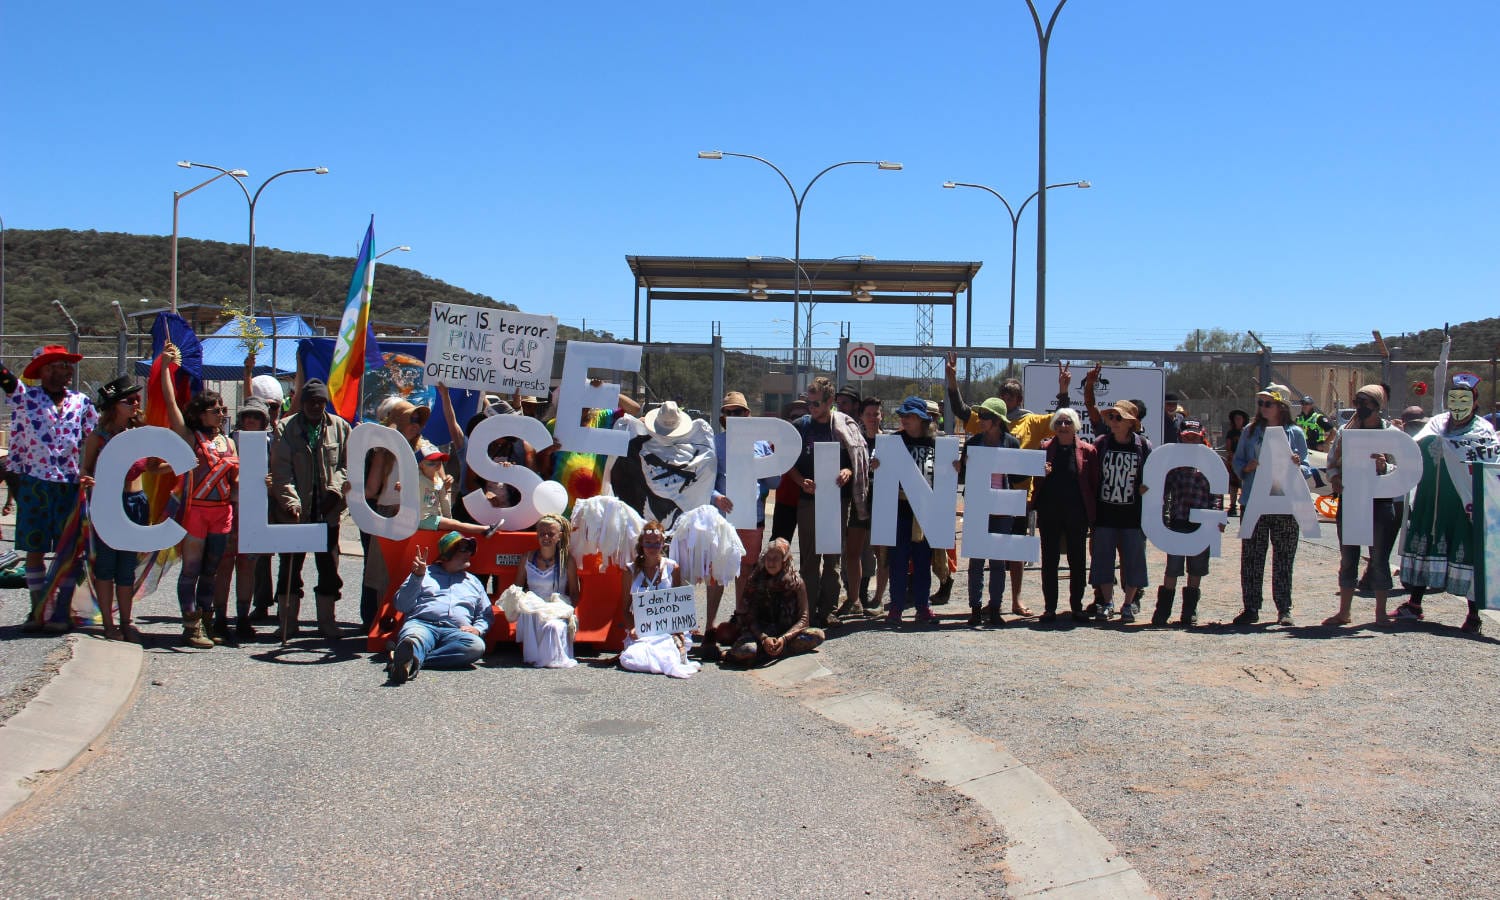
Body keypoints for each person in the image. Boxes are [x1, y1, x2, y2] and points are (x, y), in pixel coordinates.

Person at [946, 353, 1074, 616]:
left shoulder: (1032, 422)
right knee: (984, 553)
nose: (1006, 398)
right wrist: (952, 382)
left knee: (1013, 550)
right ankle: (979, 605)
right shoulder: (984, 422)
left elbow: (1061, 419)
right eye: (1003, 394)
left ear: (1019, 399)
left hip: (1017, 499)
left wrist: (1063, 391)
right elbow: (960, 410)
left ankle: (1015, 600)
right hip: (985, 500)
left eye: (1011, 395)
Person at [1, 346, 97, 632]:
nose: (66, 372)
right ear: (43, 370)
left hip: (69, 484)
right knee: (35, 548)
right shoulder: (24, 398)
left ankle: (62, 610)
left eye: (68, 366)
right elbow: (5, 378)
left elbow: (94, 439)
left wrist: (88, 472)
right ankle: (38, 609)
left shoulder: (82, 403)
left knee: (70, 551)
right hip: (34, 482)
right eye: (59, 366)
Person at [1395, 374, 1499, 632]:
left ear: (1475, 403)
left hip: (1462, 503)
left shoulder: (1482, 431)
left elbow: (1489, 464)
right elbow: (1415, 449)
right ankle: (1415, 603)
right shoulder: (1437, 423)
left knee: (1468, 553)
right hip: (1431, 499)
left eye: (1464, 398)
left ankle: (1473, 614)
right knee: (1426, 546)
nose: (1458, 403)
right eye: (1454, 397)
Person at [160, 342, 238, 648]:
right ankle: (190, 625)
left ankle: (208, 620)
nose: (220, 413)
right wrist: (167, 368)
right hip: (195, 511)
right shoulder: (190, 437)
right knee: (191, 569)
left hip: (222, 513)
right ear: (200, 413)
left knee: (212, 569)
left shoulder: (229, 443)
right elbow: (170, 403)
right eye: (214, 409)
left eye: (223, 409)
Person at [270, 378, 351, 641]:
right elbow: (281, 471)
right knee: (290, 567)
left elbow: (346, 465)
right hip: (296, 515)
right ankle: (287, 621)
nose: (316, 406)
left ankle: (327, 621)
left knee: (328, 568)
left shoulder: (340, 427)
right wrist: (291, 503)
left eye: (321, 401)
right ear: (302, 402)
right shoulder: (285, 428)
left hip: (327, 512)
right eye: (311, 401)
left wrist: (334, 492)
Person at [790, 377, 870, 628]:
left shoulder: (843, 426)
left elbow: (855, 459)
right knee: (809, 559)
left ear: (829, 401)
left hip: (837, 500)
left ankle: (828, 610)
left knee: (833, 559)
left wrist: (847, 472)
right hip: (808, 501)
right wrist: (801, 481)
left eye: (815, 403)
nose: (811, 408)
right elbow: (788, 463)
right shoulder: (800, 427)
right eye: (808, 403)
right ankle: (807, 610)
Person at [1231, 384, 1313, 626]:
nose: (1263, 407)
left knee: (1284, 557)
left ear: (1281, 406)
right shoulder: (1250, 431)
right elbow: (1238, 461)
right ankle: (1251, 607)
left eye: (1268, 403)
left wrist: (1299, 464)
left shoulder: (1294, 433)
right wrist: (1246, 468)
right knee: (1252, 557)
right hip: (1254, 500)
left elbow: (1307, 466)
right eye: (1261, 403)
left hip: (1285, 503)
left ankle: (1284, 609)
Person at [705, 391, 779, 660]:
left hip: (752, 516)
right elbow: (705, 483)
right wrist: (717, 498)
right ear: (723, 417)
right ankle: (709, 627)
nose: (734, 416)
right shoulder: (715, 444)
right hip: (723, 518)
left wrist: (772, 460)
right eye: (729, 412)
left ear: (748, 415)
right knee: (718, 570)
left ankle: (741, 623)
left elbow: (774, 484)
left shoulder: (761, 445)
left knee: (746, 570)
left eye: (739, 412)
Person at [1322, 386, 1399, 627]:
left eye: (1365, 402)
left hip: (1380, 502)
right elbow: (1332, 461)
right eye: (1358, 401)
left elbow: (1403, 469)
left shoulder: (1392, 434)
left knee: (1378, 558)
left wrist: (1384, 466)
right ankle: (1344, 612)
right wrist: (1334, 477)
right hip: (1352, 499)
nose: (1360, 406)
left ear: (1378, 405)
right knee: (1348, 557)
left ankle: (1380, 614)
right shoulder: (1347, 432)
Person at [78, 376, 146, 642]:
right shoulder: (98, 436)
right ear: (114, 406)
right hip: (108, 501)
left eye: (137, 400)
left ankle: (127, 621)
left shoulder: (137, 435)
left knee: (127, 567)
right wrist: (86, 479)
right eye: (129, 401)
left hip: (136, 502)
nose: (135, 405)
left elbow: (151, 465)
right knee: (106, 565)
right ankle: (109, 623)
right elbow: (85, 468)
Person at [388, 532, 493, 683]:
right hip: (422, 624)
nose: (469, 553)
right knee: (414, 638)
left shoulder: (473, 582)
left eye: (470, 549)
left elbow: (485, 614)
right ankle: (408, 659)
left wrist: (478, 629)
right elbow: (402, 605)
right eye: (463, 549)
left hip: (456, 631)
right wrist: (417, 577)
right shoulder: (424, 573)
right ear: (447, 554)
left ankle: (407, 660)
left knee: (476, 647)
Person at [873, 397, 941, 628]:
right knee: (898, 561)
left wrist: (955, 467)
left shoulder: (936, 443)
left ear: (922, 419)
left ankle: (922, 606)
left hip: (925, 511)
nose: (904, 420)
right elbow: (877, 466)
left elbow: (947, 478)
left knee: (923, 561)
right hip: (898, 510)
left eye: (909, 416)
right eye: (902, 415)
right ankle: (896, 607)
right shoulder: (892, 441)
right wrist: (876, 464)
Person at [956, 397, 1019, 628]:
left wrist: (1041, 470)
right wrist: (959, 468)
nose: (980, 420)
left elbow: (1019, 477)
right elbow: (963, 476)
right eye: (980, 415)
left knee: (998, 562)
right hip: (978, 506)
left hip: (1002, 507)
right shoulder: (973, 443)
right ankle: (975, 609)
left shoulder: (1011, 443)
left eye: (985, 417)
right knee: (976, 561)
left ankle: (995, 609)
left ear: (997, 421)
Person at [1088, 399, 1153, 623]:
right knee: (1103, 559)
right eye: (1111, 417)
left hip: (1133, 515)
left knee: (1134, 560)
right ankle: (1107, 604)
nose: (1113, 421)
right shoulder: (1100, 443)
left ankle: (1129, 604)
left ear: (1130, 422)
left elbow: (1153, 478)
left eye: (1118, 418)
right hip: (1105, 513)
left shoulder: (1143, 446)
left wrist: (1147, 486)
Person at [1155, 419, 1224, 627]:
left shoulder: (1210, 463)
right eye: (1187, 438)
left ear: (1202, 438)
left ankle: (1189, 611)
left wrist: (1217, 516)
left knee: (1196, 569)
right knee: (1173, 568)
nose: (1191, 441)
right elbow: (1162, 490)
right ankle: (1163, 611)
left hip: (1202, 522)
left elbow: (1217, 493)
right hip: (1178, 519)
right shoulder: (1173, 465)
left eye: (1195, 437)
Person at [1033, 408, 1099, 623]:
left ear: (1076, 426)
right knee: (1049, 561)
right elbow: (1035, 481)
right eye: (1059, 422)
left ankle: (1077, 607)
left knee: (1077, 561)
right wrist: (1040, 471)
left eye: (1068, 422)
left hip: (1077, 514)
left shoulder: (1088, 451)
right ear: (1054, 425)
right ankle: (1049, 608)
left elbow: (1094, 484)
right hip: (1049, 513)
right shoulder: (1044, 449)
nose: (1063, 427)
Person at [724, 538, 825, 666]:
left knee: (818, 635)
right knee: (747, 649)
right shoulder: (755, 580)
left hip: (786, 633)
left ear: (784, 560)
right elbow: (749, 617)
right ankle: (765, 652)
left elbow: (804, 619)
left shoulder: (797, 583)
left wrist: (784, 638)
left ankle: (770, 652)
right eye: (768, 558)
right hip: (760, 633)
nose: (771, 562)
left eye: (776, 558)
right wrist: (764, 638)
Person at [618, 520, 699, 678]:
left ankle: (670, 658)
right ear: (642, 544)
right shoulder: (630, 570)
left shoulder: (672, 567)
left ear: (663, 544)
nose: (652, 548)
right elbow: (625, 608)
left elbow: (678, 604)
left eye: (657, 544)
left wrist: (682, 626)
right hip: (644, 629)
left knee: (667, 650)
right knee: (632, 659)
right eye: (648, 543)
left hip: (667, 630)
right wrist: (633, 628)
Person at [226, 397, 274, 642]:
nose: (251, 420)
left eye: (256, 416)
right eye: (247, 416)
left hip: (255, 511)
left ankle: (243, 617)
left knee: (248, 565)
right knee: (224, 565)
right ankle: (218, 619)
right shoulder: (229, 442)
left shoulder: (270, 443)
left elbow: (280, 471)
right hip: (229, 510)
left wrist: (271, 480)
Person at [509, 513, 580, 668]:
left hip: (557, 607)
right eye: (542, 534)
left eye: (551, 534)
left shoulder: (567, 560)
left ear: (559, 536)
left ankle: (552, 656)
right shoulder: (527, 558)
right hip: (532, 607)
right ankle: (534, 656)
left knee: (553, 627)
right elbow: (517, 588)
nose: (546, 537)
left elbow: (574, 592)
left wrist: (570, 614)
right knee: (529, 610)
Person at [856, 397, 888, 615]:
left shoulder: (890, 443)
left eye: (876, 414)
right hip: (860, 501)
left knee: (881, 551)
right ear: (861, 417)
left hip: (883, 502)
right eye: (868, 414)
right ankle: (856, 596)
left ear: (881, 415)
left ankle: (878, 598)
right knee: (857, 549)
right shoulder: (855, 442)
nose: (872, 418)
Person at [1222, 409, 1250, 517]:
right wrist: (1232, 457)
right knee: (1233, 485)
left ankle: (1244, 503)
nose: (1237, 421)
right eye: (1235, 419)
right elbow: (1228, 447)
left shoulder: (1247, 432)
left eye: (1239, 418)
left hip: (1245, 462)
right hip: (1234, 461)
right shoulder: (1231, 433)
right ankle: (1232, 505)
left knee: (1244, 483)